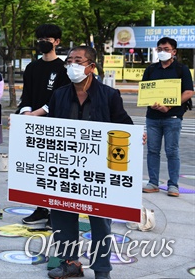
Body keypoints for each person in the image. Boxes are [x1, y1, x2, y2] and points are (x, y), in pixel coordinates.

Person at [47, 46, 133, 279]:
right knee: (62, 215)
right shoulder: (59, 94)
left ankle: (102, 269)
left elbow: (124, 126)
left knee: (100, 220)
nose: (72, 65)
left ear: (91, 67)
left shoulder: (109, 95)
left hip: (98, 173)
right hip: (66, 168)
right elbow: (50, 130)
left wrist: (136, 135)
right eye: (69, 61)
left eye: (78, 60)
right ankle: (70, 263)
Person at [19, 24, 71, 227]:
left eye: (47, 39)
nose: (43, 42)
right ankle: (41, 208)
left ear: (57, 42)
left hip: (55, 123)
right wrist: (26, 113)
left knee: (55, 169)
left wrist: (37, 113)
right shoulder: (32, 67)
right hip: (33, 124)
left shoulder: (63, 69)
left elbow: (60, 98)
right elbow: (27, 96)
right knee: (38, 169)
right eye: (40, 38)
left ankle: (56, 212)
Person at [141, 37, 194, 197]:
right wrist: (152, 104)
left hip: (173, 117)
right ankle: (153, 182)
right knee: (152, 151)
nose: (162, 52)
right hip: (152, 116)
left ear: (174, 51)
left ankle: (173, 185)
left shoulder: (181, 69)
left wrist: (169, 106)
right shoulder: (151, 69)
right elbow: (145, 91)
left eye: (166, 49)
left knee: (172, 151)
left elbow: (189, 91)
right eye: (159, 49)